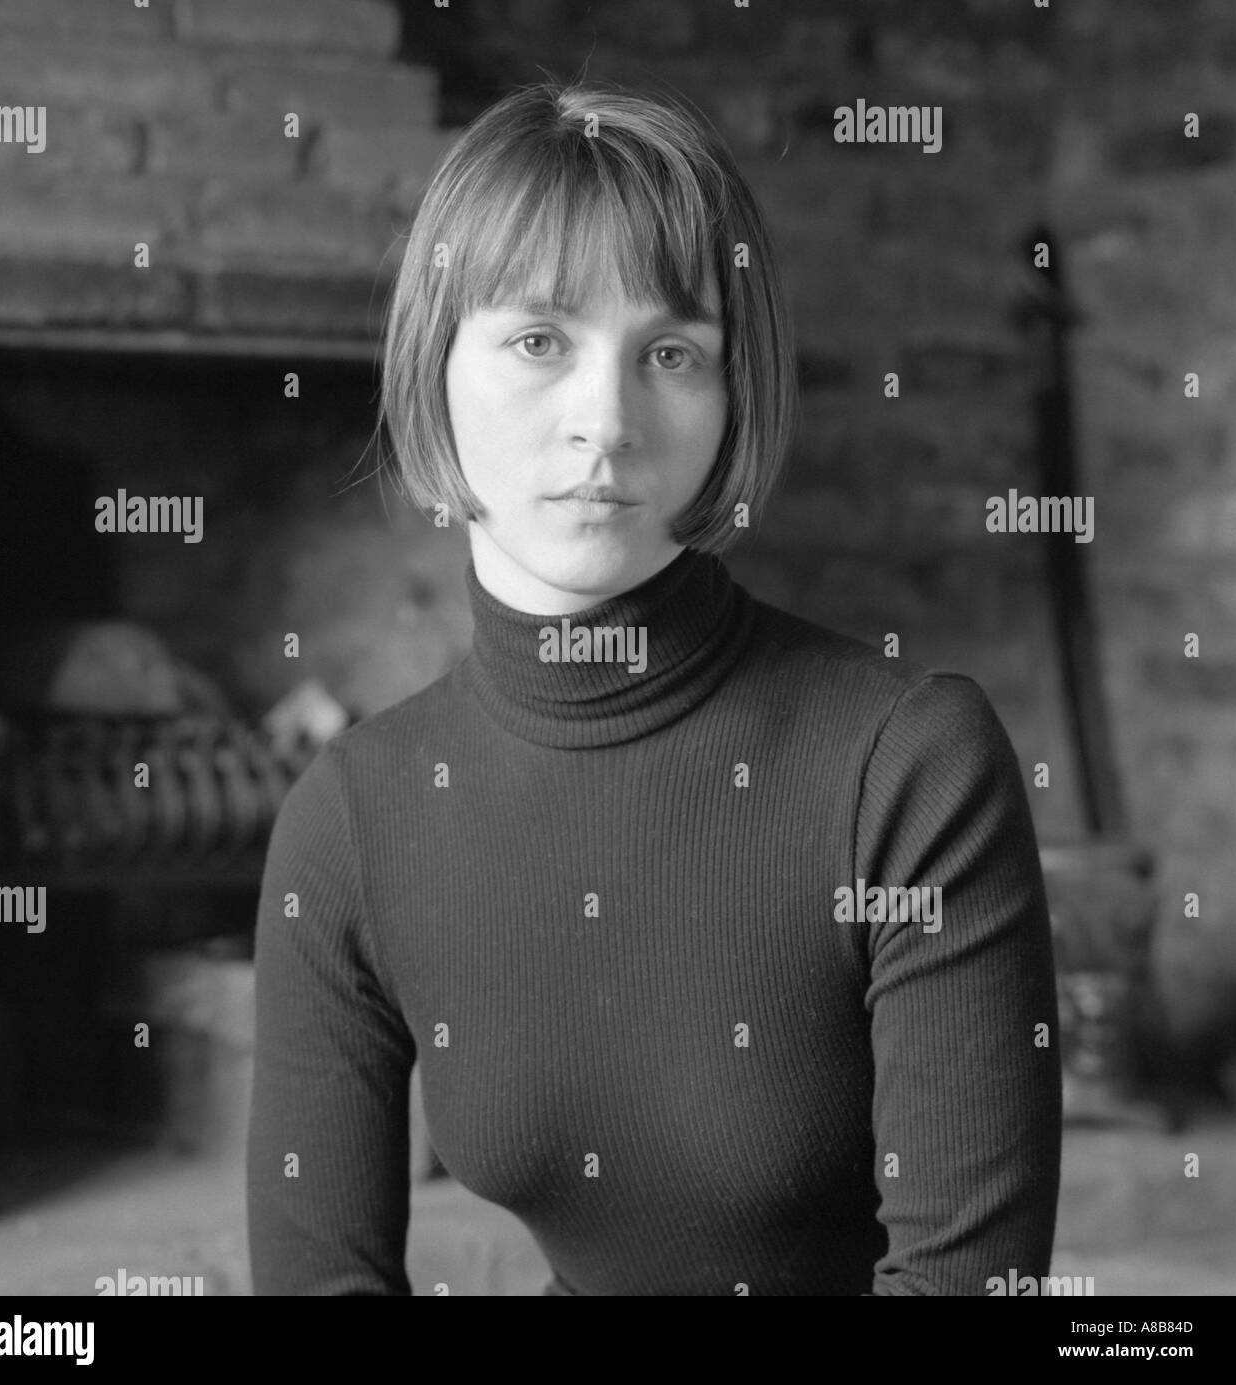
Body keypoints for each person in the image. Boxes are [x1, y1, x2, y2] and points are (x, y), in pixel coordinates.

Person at [247, 78, 1062, 1296]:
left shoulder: (908, 764)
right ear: (434, 364)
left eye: (671, 352)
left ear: (732, 394)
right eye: (538, 339)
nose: (604, 421)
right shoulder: (351, 817)